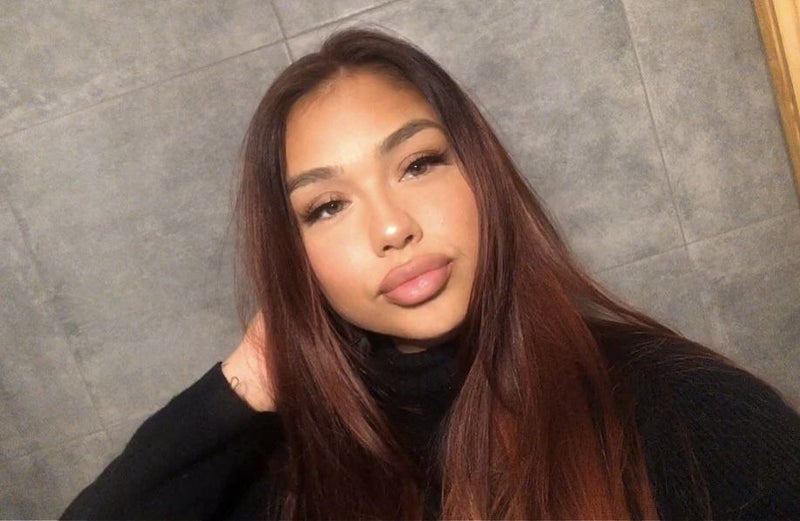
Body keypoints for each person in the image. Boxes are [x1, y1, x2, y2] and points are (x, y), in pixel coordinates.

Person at [62, 28, 800, 520]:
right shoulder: (282, 473)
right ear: (294, 258)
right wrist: (247, 380)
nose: (392, 228)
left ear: (480, 172)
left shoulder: (690, 413)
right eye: (326, 207)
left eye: (418, 164)